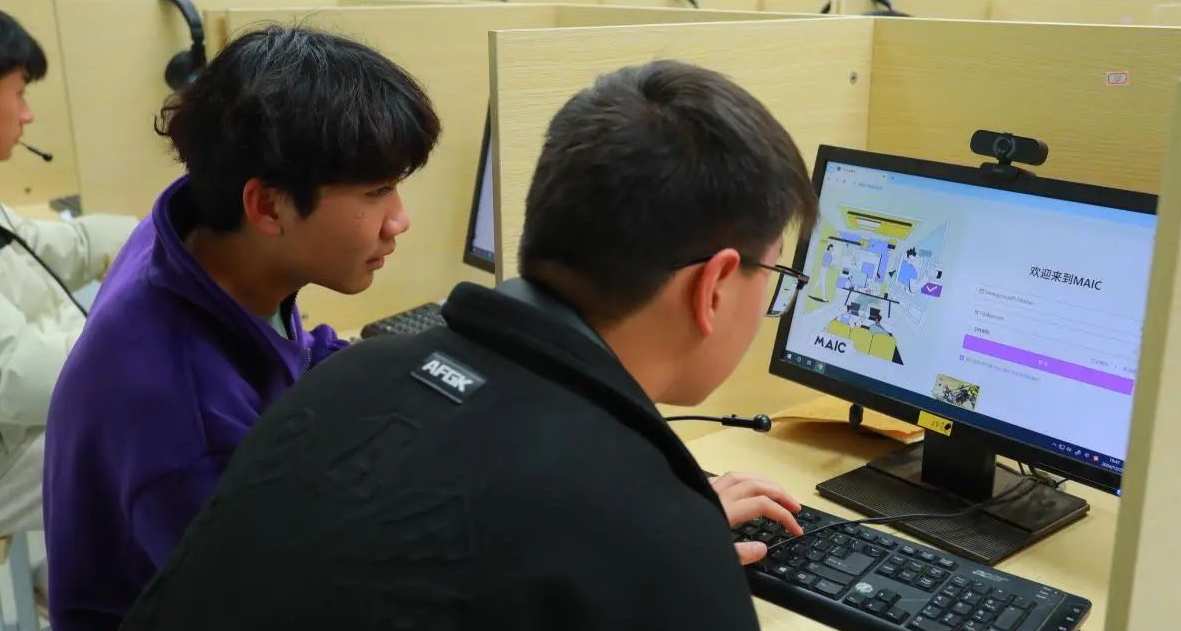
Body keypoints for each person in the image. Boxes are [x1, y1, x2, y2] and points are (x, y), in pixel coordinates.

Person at [119, 59, 818, 631]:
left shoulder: (346, 379)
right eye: (775, 276)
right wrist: (668, 544)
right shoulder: (654, 546)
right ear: (714, 285)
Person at [43, 26, 441, 631]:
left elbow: (288, 353)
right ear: (267, 206)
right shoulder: (183, 420)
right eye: (377, 191)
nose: (399, 220)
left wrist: (416, 367)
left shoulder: (200, 236)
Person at [0, 10, 137, 537]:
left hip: (17, 426)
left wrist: (155, 232)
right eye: (20, 93)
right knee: (164, 444)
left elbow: (43, 247)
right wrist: (147, 334)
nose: (28, 115)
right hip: (10, 452)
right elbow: (18, 379)